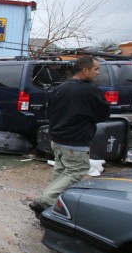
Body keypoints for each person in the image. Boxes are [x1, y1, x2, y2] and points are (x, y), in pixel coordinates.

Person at [29, 56, 111, 217]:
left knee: (61, 172)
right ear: (85, 70)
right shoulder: (89, 91)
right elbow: (103, 114)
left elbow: (49, 111)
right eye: (96, 69)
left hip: (58, 140)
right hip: (75, 142)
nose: (98, 72)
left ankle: (51, 205)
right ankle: (44, 201)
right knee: (76, 172)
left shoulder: (61, 88)